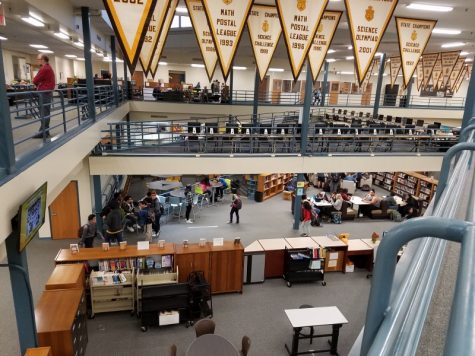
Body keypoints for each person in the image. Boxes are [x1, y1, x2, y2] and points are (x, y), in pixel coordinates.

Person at [32, 54, 56, 138]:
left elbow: (34, 80)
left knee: (44, 112)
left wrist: (39, 84)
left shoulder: (44, 68)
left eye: (38, 59)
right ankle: (45, 131)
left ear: (42, 59)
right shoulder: (49, 68)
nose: (37, 61)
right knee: (45, 112)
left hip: (43, 93)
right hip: (47, 92)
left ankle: (43, 132)